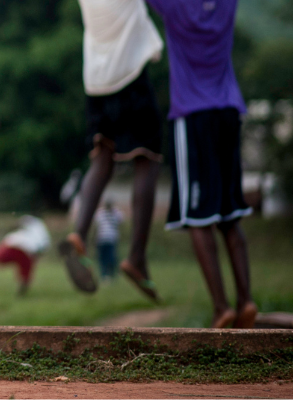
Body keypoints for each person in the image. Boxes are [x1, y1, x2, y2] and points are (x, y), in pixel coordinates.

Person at [147, 0, 256, 329]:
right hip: (228, 109)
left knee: (198, 219)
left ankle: (221, 307)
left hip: (192, 114)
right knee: (230, 215)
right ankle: (246, 300)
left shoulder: (176, 6)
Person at [60, 0, 165, 300]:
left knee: (102, 159)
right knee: (148, 159)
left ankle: (79, 233)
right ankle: (137, 256)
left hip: (96, 82)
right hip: (130, 75)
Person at [0, 215, 51, 296]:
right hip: (24, 248)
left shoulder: (34, 225)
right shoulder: (39, 228)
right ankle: (22, 288)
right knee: (25, 271)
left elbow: (21, 222)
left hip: (17, 245)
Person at [94, 201, 124, 281]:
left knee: (107, 258)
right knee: (108, 257)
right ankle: (108, 274)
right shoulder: (116, 213)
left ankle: (107, 274)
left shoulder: (101, 213)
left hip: (105, 238)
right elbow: (121, 220)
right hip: (109, 238)